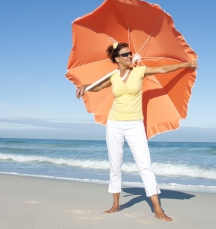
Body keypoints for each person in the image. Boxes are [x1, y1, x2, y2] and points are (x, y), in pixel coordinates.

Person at [76, 42, 198, 221]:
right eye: (125, 54)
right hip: (114, 123)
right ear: (117, 59)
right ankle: (115, 205)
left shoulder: (139, 71)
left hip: (134, 124)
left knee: (145, 165)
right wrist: (84, 86)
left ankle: (157, 208)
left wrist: (185, 65)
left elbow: (163, 70)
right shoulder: (113, 76)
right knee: (115, 164)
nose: (129, 56)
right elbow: (98, 86)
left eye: (130, 54)